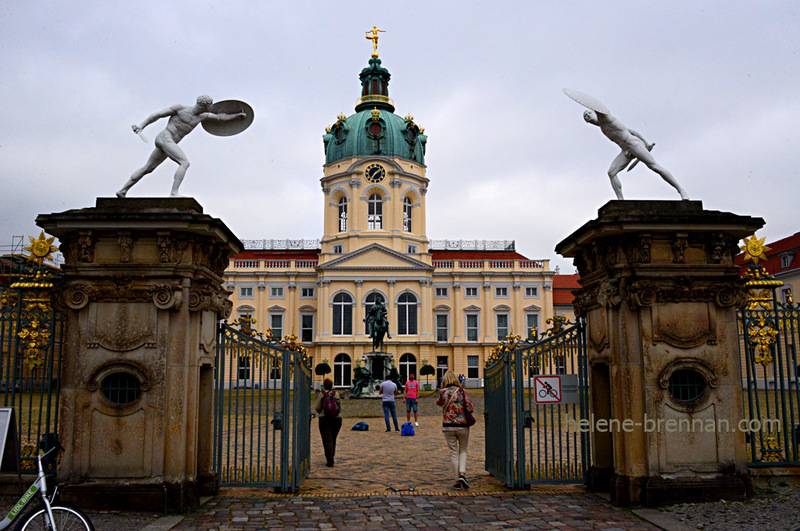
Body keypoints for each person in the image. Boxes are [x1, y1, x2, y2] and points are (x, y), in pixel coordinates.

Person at [117, 95, 246, 198]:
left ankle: (122, 190)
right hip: (165, 138)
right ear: (204, 105)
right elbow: (157, 115)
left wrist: (237, 116)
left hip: (169, 142)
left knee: (148, 168)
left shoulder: (202, 116)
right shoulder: (180, 109)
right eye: (209, 106)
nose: (211, 108)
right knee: (184, 163)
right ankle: (174, 193)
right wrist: (141, 125)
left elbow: (219, 118)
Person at [581, 108, 688, 201]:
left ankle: (681, 190)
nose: (587, 115)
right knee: (611, 172)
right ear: (587, 122)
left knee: (654, 167)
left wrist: (646, 144)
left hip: (633, 144)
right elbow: (631, 131)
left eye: (589, 113)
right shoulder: (603, 128)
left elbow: (632, 132)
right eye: (585, 116)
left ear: (594, 113)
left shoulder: (608, 119)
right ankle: (621, 200)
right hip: (625, 150)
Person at [437, 369, 474, 489]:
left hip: (448, 426)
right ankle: (462, 473)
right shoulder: (462, 392)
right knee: (463, 450)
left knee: (453, 452)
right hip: (463, 425)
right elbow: (470, 407)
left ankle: (457, 480)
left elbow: (440, 403)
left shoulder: (443, 392)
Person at [314, 378, 342, 467]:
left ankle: (330, 460)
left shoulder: (322, 394)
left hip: (325, 419)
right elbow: (339, 407)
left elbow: (318, 408)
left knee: (327, 440)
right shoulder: (336, 394)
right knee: (333, 438)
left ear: (324, 385)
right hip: (337, 419)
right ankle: (331, 456)